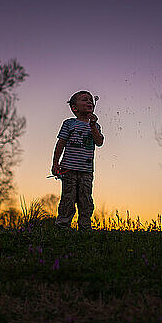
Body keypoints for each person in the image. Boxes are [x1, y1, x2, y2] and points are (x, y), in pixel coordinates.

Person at [51, 90, 104, 230]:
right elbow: (60, 143)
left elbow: (99, 142)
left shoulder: (95, 126)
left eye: (91, 100)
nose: (89, 102)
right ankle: (63, 226)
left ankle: (85, 227)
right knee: (68, 198)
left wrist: (92, 125)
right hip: (68, 169)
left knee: (85, 200)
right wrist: (55, 163)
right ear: (75, 108)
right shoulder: (69, 124)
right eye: (85, 99)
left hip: (86, 172)